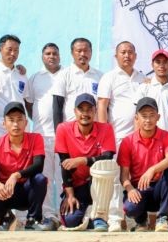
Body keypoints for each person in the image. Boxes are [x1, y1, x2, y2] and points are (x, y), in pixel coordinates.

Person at [97, 41, 146, 231]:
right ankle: (115, 219)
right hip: (116, 137)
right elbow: (102, 105)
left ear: (135, 55)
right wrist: (104, 135)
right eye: (123, 52)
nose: (127, 55)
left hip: (139, 138)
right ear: (116, 56)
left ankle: (136, 220)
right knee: (116, 179)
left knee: (136, 177)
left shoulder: (142, 78)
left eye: (130, 52)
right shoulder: (109, 77)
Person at [0, 102, 47, 231]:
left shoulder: (36, 138)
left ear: (26, 123)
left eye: (20, 120)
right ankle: (5, 217)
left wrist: (16, 175)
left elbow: (39, 166)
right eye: (11, 120)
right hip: (5, 193)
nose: (16, 124)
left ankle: (33, 219)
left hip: (27, 192)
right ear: (4, 124)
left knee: (40, 179)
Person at [54, 94, 116, 231]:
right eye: (81, 109)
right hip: (76, 186)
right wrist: (69, 194)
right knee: (70, 222)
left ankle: (100, 217)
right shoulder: (63, 129)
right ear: (75, 111)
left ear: (95, 111)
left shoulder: (106, 128)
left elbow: (108, 157)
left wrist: (83, 160)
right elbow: (64, 163)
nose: (85, 113)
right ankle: (89, 219)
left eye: (89, 109)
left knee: (105, 167)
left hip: (99, 184)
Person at [118, 97, 168, 232]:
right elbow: (123, 176)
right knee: (130, 208)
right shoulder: (127, 141)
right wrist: (130, 190)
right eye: (144, 116)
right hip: (139, 188)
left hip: (159, 188)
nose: (148, 120)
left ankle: (163, 218)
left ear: (158, 117)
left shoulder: (167, 136)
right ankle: (141, 221)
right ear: (136, 118)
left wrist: (152, 169)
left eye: (152, 115)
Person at [25, 43, 63, 230]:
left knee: (64, 177)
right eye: (48, 53)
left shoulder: (66, 74)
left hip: (63, 136)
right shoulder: (34, 78)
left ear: (60, 56)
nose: (52, 56)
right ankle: (48, 215)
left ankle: (65, 214)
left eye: (55, 53)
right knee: (45, 177)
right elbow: (29, 104)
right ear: (42, 56)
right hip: (41, 135)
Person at [51, 37, 103, 123]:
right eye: (79, 51)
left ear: (91, 52)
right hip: (70, 130)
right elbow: (57, 107)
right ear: (72, 53)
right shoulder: (63, 75)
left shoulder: (100, 76)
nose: (82, 54)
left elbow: (104, 105)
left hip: (94, 129)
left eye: (86, 50)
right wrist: (59, 133)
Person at [136, 50, 168, 136]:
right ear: (152, 65)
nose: (161, 66)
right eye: (158, 62)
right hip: (150, 138)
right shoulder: (144, 87)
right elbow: (137, 117)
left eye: (165, 62)